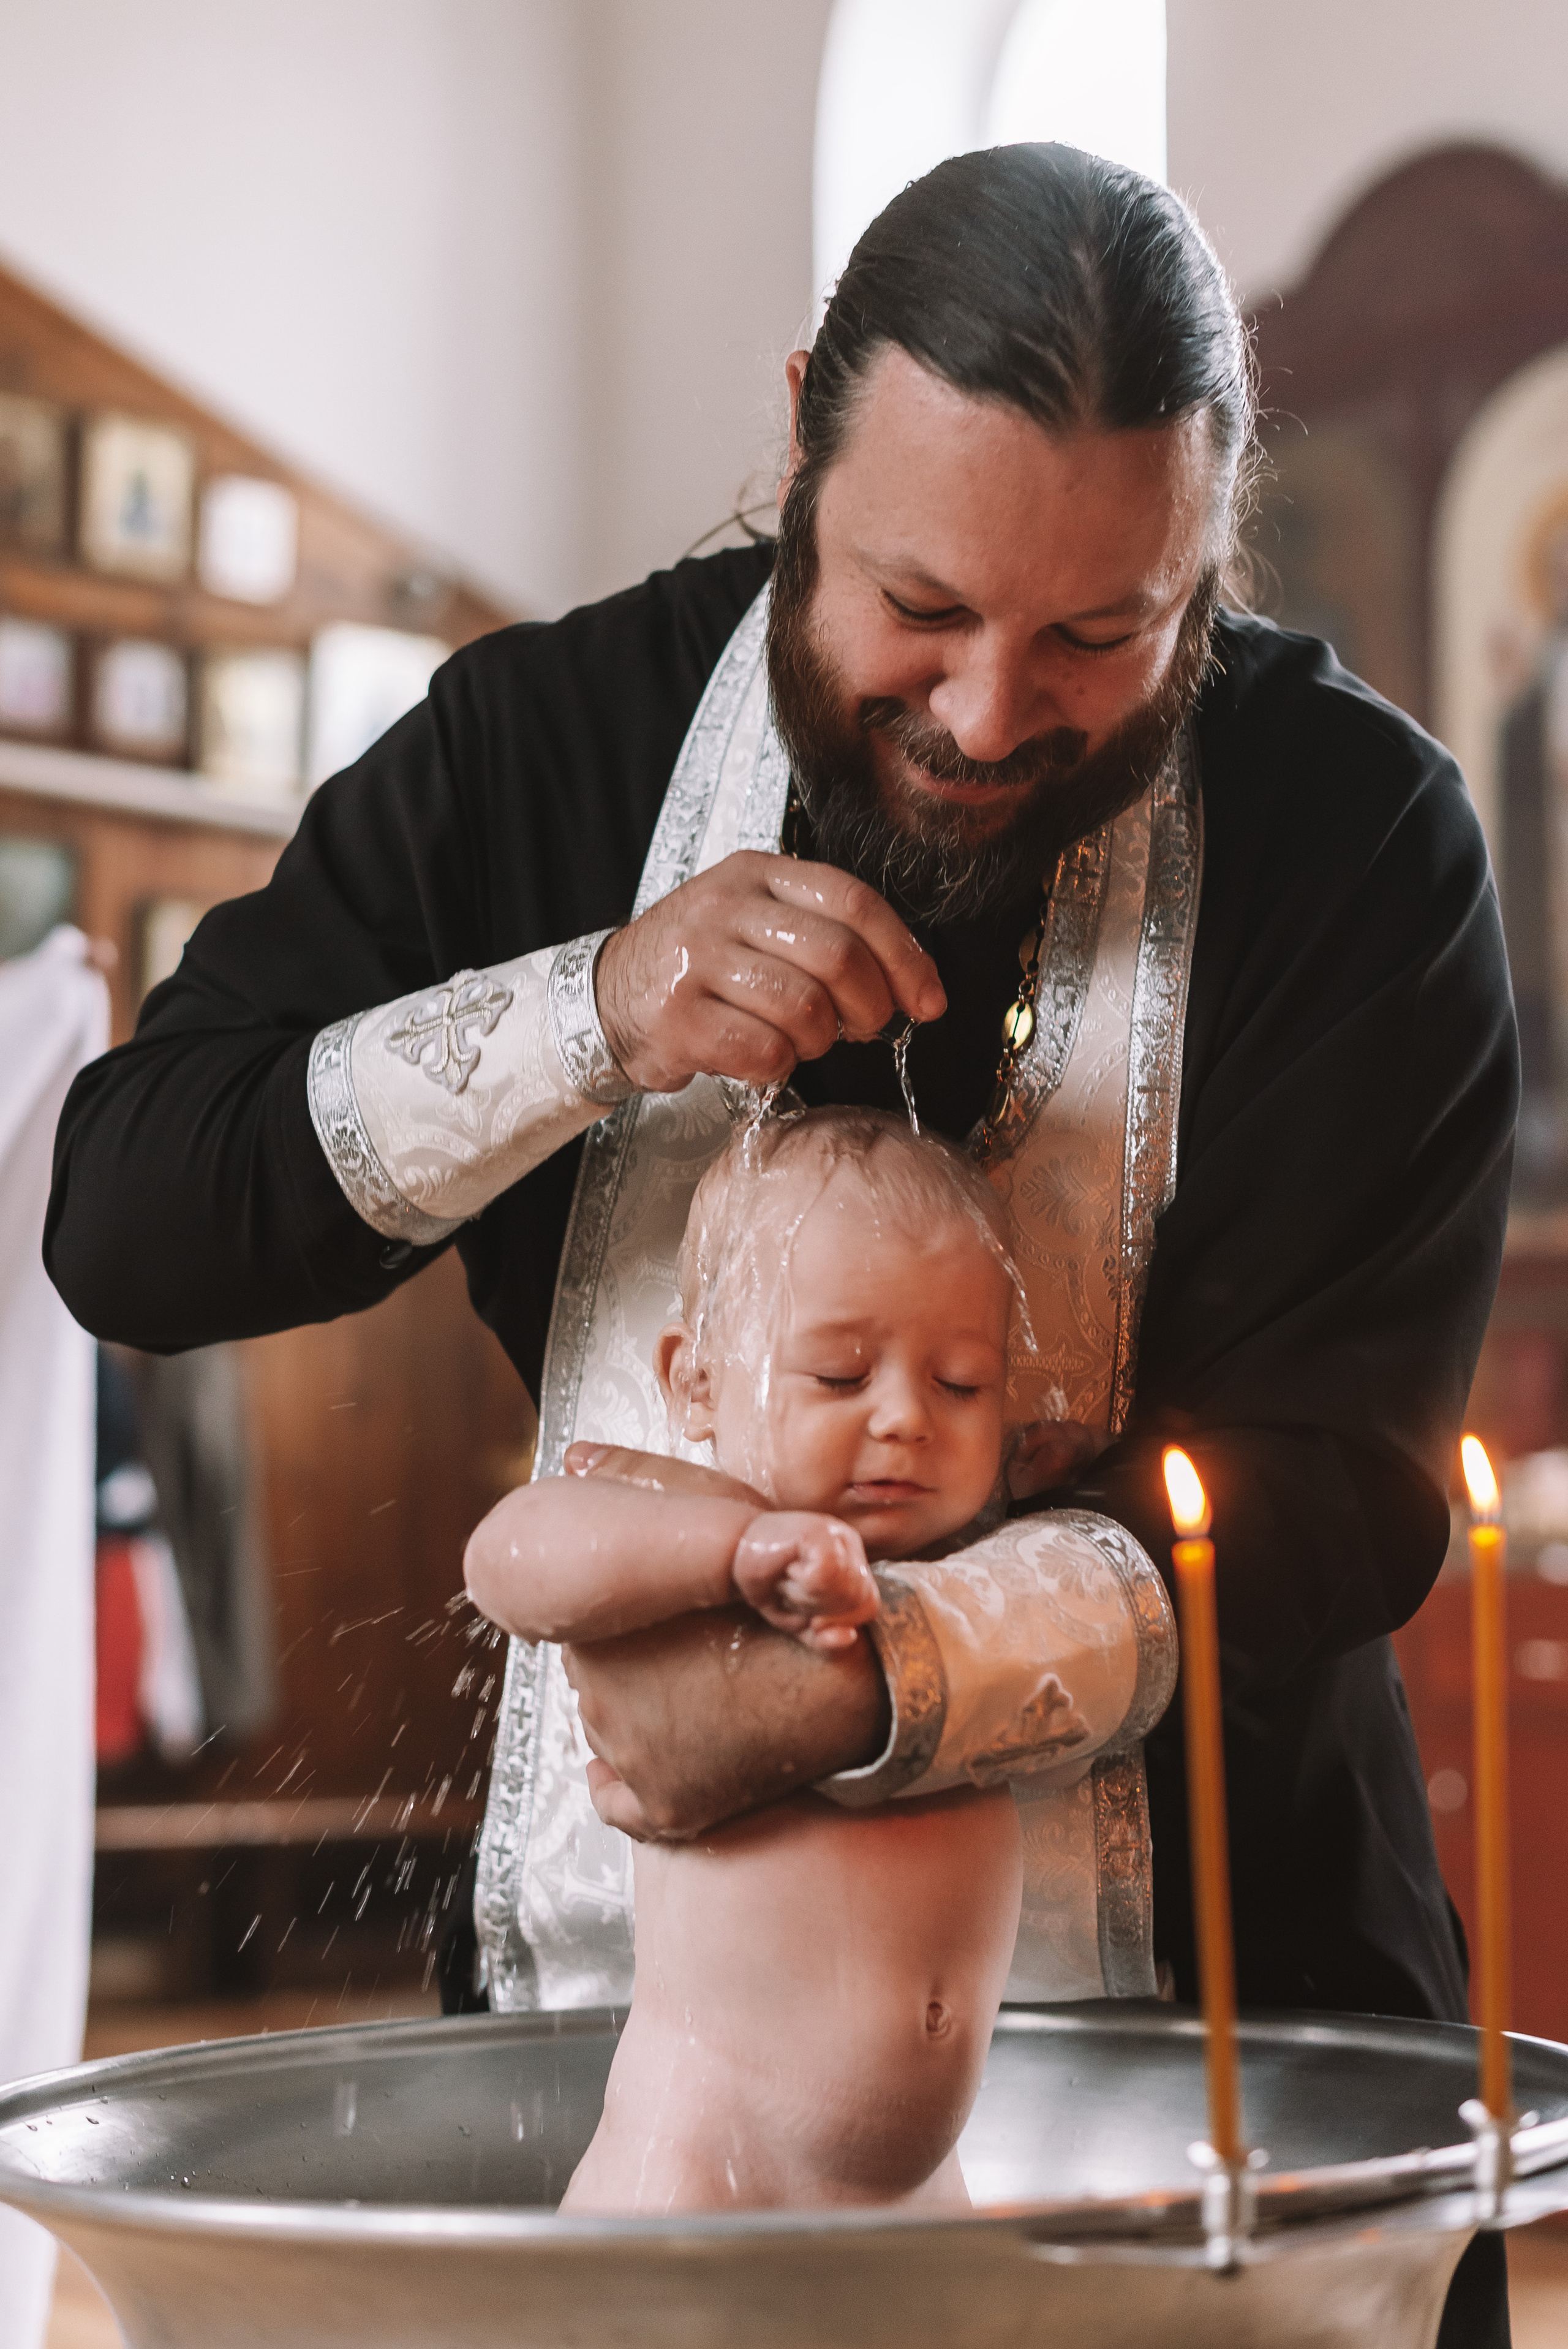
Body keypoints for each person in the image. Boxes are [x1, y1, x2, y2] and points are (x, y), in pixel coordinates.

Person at [44, 145, 1517, 2340]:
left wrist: (867, 1683)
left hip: (1223, 2076)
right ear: (807, 418)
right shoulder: (549, 747)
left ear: (1210, 536)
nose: (993, 710)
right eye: (918, 606)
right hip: (626, 2080)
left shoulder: (1357, 844)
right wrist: (592, 1012)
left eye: (1102, 633)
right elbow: (133, 1212)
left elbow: (1332, 1488)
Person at [468, 1107, 1046, 2211]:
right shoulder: (698, 1538)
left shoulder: (981, 1581)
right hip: (695, 2164)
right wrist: (734, 1553)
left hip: (915, 2193)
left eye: (963, 1382)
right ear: (695, 1382)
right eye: (839, 1375)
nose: (905, 1419)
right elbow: (506, 1555)